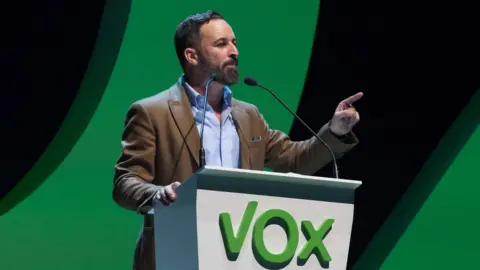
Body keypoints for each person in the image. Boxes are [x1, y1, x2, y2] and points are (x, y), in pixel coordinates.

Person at [113, 10, 362, 270]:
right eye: (222, 44)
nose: (234, 51)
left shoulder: (248, 114)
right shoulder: (152, 112)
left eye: (234, 43)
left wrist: (335, 131)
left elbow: (294, 159)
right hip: (174, 252)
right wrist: (158, 194)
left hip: (240, 253)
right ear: (192, 55)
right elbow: (125, 182)